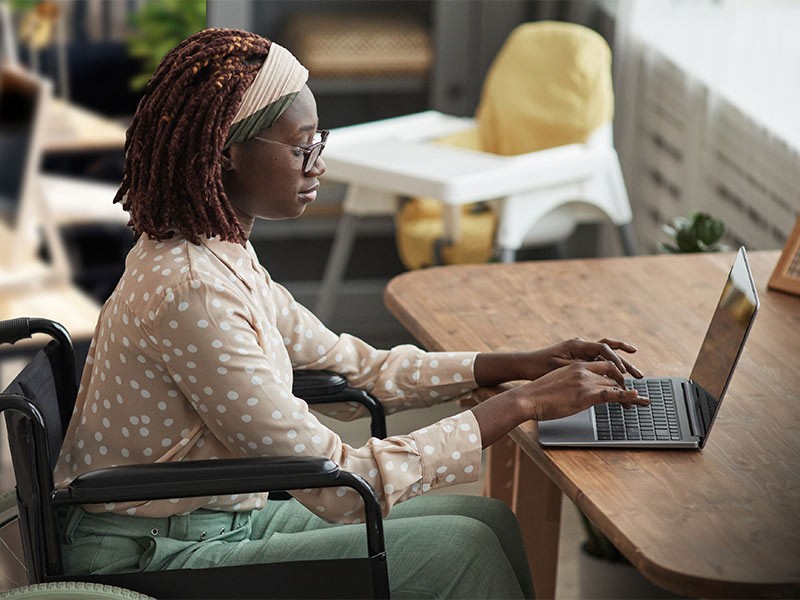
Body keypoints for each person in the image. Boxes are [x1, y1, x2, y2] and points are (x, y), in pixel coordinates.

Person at [54, 28, 647, 599]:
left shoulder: (219, 253)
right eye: (300, 146)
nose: (318, 164)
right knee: (461, 550)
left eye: (320, 142)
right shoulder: (193, 292)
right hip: (150, 554)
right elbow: (339, 485)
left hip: (209, 517)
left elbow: (356, 368)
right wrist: (523, 404)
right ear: (228, 153)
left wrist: (518, 365)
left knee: (488, 520)